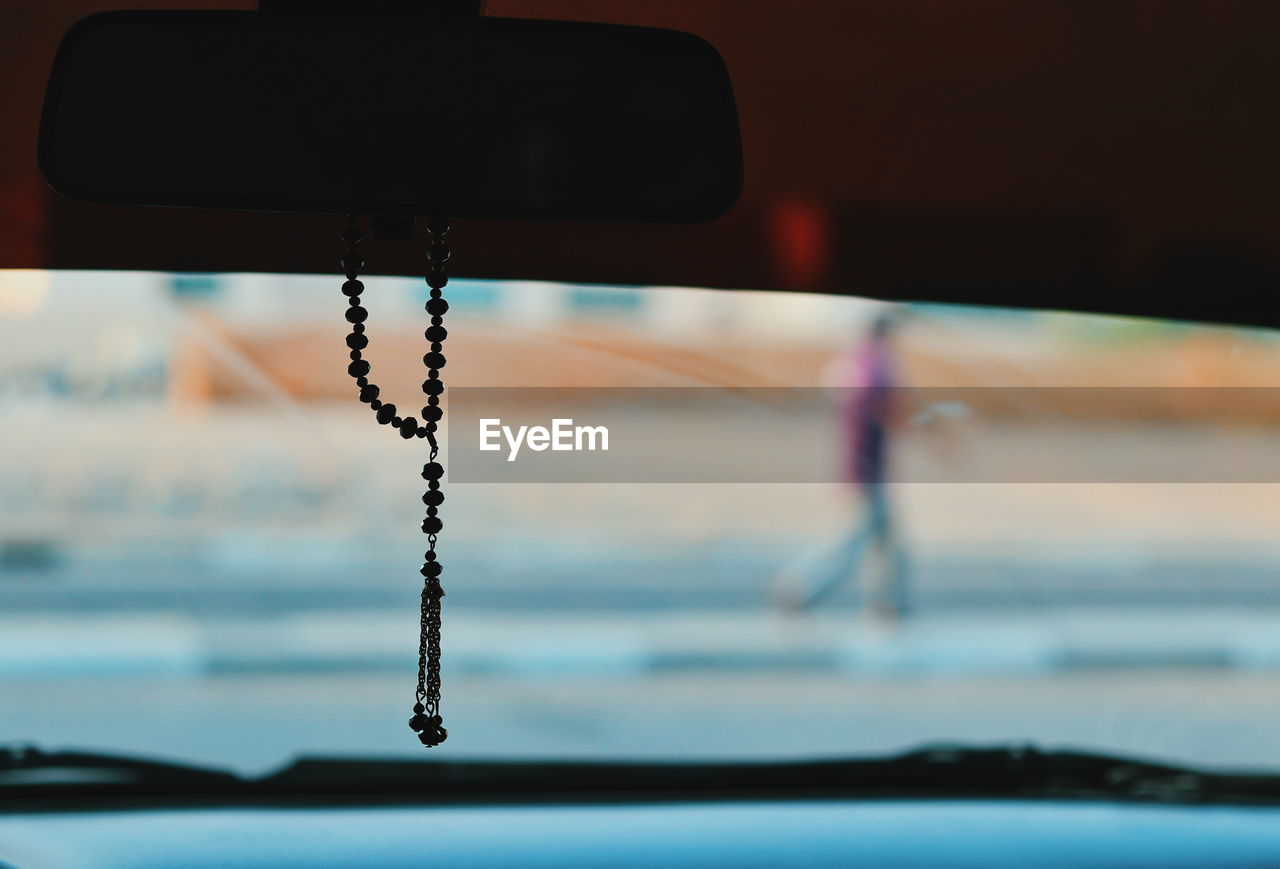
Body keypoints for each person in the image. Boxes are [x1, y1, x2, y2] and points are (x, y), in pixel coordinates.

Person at [773, 311, 909, 624]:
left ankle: (889, 604)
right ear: (884, 333)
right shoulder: (877, 368)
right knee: (852, 545)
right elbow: (884, 415)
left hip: (861, 468)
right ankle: (799, 588)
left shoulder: (854, 364)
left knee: (885, 542)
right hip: (867, 471)